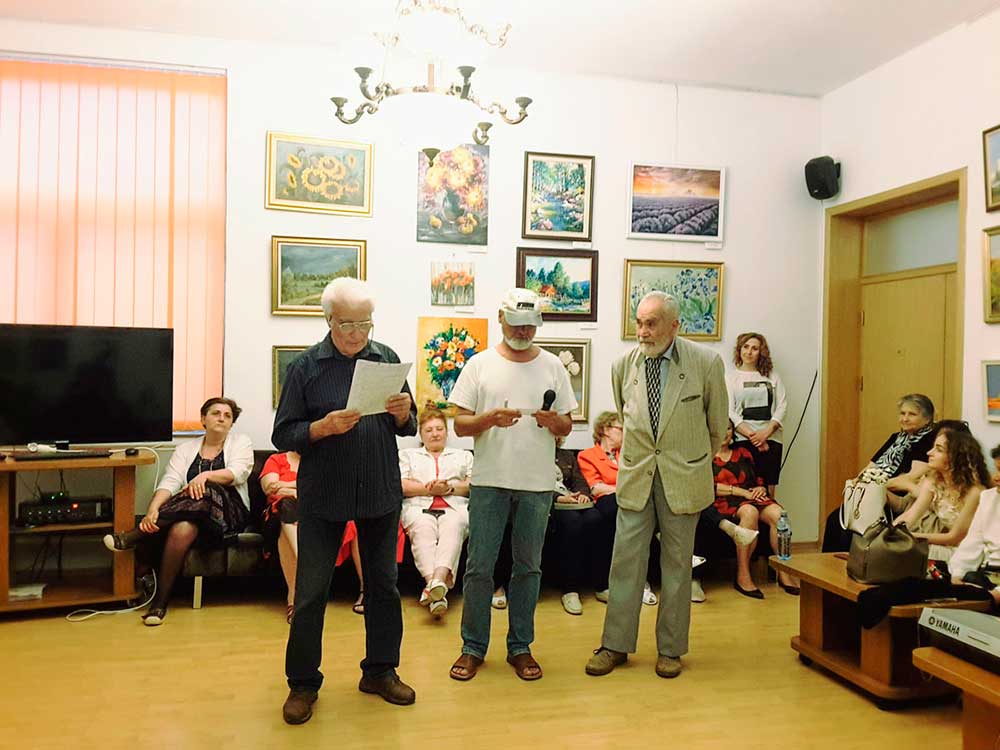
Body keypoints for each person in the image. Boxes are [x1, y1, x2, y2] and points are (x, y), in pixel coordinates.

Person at [272, 277, 418, 725]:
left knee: (383, 588)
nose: (358, 333)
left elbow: (410, 424)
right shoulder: (306, 367)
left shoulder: (386, 358)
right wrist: (321, 428)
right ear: (329, 320)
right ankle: (302, 684)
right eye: (348, 324)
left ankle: (380, 671)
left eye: (365, 323)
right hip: (324, 495)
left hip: (379, 491)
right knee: (311, 593)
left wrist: (404, 415)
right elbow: (283, 433)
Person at [585, 291, 728, 680]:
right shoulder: (623, 365)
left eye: (651, 324)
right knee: (625, 563)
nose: (643, 331)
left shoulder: (705, 363)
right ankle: (615, 645)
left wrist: (687, 461)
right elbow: (628, 419)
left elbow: (717, 427)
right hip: (636, 479)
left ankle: (670, 650)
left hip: (683, 479)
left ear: (674, 326)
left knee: (677, 567)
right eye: (639, 322)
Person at [447, 287, 576, 682]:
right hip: (489, 481)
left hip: (537, 484)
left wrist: (552, 422)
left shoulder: (552, 366)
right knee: (479, 568)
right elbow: (459, 424)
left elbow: (566, 425)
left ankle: (520, 646)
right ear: (501, 319)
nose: (523, 332)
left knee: (528, 569)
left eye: (530, 326)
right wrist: (489, 419)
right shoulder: (479, 364)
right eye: (517, 325)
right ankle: (473, 647)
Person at [103, 397, 252, 626]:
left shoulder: (241, 442)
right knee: (182, 529)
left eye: (227, 415)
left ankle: (135, 536)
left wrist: (204, 476)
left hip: (229, 514)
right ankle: (159, 604)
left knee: (205, 489)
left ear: (232, 423)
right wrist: (153, 509)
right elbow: (170, 482)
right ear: (203, 419)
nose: (222, 418)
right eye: (216, 413)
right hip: (192, 514)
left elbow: (239, 472)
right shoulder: (185, 449)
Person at [260, 451, 367, 623]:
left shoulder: (325, 460)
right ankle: (299, 585)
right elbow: (269, 487)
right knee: (286, 509)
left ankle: (364, 590)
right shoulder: (277, 460)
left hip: (317, 512)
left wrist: (288, 486)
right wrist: (307, 487)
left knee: (354, 518)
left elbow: (333, 489)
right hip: (280, 514)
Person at [822, 394, 937, 553]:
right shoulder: (896, 438)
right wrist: (859, 481)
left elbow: (910, 478)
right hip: (874, 492)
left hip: (897, 499)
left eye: (912, 414)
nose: (905, 418)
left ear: (927, 418)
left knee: (853, 530)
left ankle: (853, 564)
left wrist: (875, 486)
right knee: (835, 520)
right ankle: (828, 566)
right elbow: (870, 467)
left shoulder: (929, 440)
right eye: (902, 413)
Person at [572, 411, 661, 610]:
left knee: (638, 520)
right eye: (621, 429)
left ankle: (640, 580)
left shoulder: (629, 454)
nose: (625, 433)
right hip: (606, 502)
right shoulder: (587, 455)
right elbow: (596, 488)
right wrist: (625, 490)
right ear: (605, 430)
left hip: (629, 502)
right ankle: (662, 538)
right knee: (631, 511)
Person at [398, 408, 473, 619]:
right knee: (423, 530)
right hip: (418, 506)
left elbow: (473, 484)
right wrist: (428, 490)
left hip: (454, 506)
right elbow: (401, 485)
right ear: (421, 434)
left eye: (439, 429)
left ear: (447, 432)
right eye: (429, 430)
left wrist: (449, 488)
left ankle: (434, 585)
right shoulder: (407, 455)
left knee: (454, 526)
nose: (435, 434)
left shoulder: (463, 455)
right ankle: (437, 587)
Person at [712, 420, 799, 598]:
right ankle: (743, 574)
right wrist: (742, 493)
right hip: (725, 500)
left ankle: (784, 570)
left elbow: (758, 477)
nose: (725, 433)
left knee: (779, 514)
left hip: (751, 496)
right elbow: (709, 487)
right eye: (720, 428)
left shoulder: (743, 452)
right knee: (749, 512)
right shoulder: (707, 456)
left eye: (728, 428)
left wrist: (761, 489)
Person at [893, 427, 988, 567]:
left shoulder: (975, 492)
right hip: (946, 547)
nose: (929, 453)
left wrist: (910, 537)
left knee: (909, 552)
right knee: (892, 549)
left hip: (968, 553)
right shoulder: (933, 482)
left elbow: (954, 538)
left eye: (938, 449)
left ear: (954, 457)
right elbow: (910, 515)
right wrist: (891, 531)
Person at [728, 332, 787, 498]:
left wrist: (765, 434)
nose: (749, 352)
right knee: (746, 491)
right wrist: (754, 437)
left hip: (771, 440)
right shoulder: (730, 378)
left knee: (768, 492)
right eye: (745, 347)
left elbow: (782, 406)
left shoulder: (772, 376)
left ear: (761, 352)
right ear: (739, 350)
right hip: (742, 440)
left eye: (754, 348)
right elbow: (730, 411)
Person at [949, 478, 1000, 608]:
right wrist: (958, 576)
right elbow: (972, 542)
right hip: (985, 578)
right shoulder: (989, 497)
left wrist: (995, 595)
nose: (996, 477)